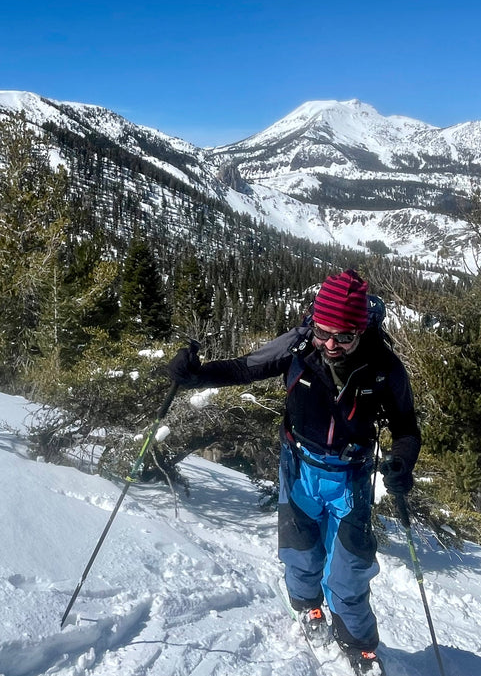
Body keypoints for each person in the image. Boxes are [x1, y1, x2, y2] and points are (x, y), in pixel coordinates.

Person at [168, 269, 421, 675]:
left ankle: (359, 643)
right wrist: (195, 375)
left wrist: (401, 463)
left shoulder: (383, 367)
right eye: (324, 332)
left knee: (351, 569)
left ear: (361, 331)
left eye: (344, 337)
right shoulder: (301, 345)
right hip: (300, 464)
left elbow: (406, 426)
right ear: (313, 320)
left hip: (352, 475)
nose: (331, 345)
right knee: (302, 552)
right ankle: (307, 607)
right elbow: (245, 368)